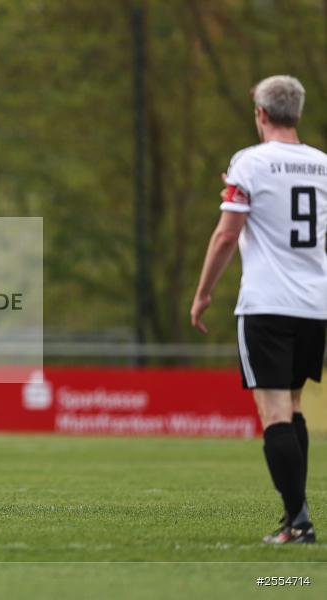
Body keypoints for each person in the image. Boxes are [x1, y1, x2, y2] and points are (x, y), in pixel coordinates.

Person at [191, 75, 326, 544]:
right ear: (298, 113)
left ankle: (299, 522)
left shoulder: (250, 162)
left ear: (262, 115)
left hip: (268, 303)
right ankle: (298, 515)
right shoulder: (323, 165)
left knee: (273, 413)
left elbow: (228, 233)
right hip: (314, 305)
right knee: (291, 406)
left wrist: (204, 291)